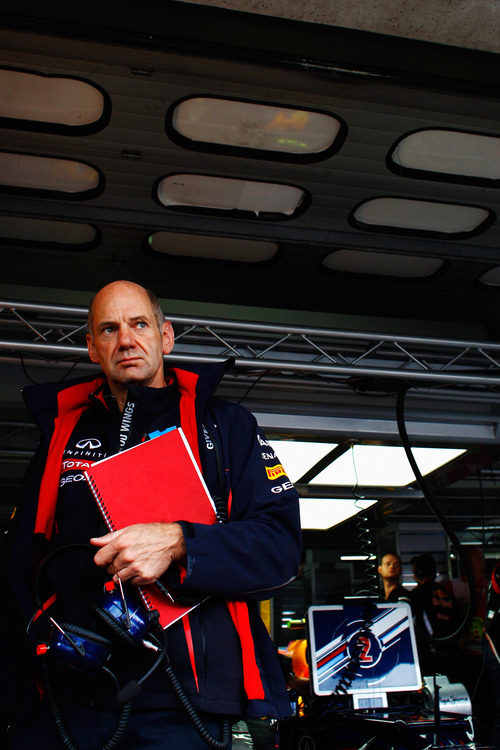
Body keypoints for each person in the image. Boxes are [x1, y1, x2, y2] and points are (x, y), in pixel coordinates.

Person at [1, 280, 302, 749]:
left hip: (186, 704)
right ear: (92, 347)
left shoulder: (225, 426)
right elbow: (19, 569)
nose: (126, 339)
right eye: (109, 328)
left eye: (139, 324)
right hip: (70, 699)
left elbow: (280, 550)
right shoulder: (60, 433)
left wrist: (182, 542)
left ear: (165, 337)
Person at [409, 553, 461, 679]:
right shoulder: (448, 594)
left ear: (418, 572)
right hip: (453, 652)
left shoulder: (417, 594)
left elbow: (413, 624)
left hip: (429, 652)